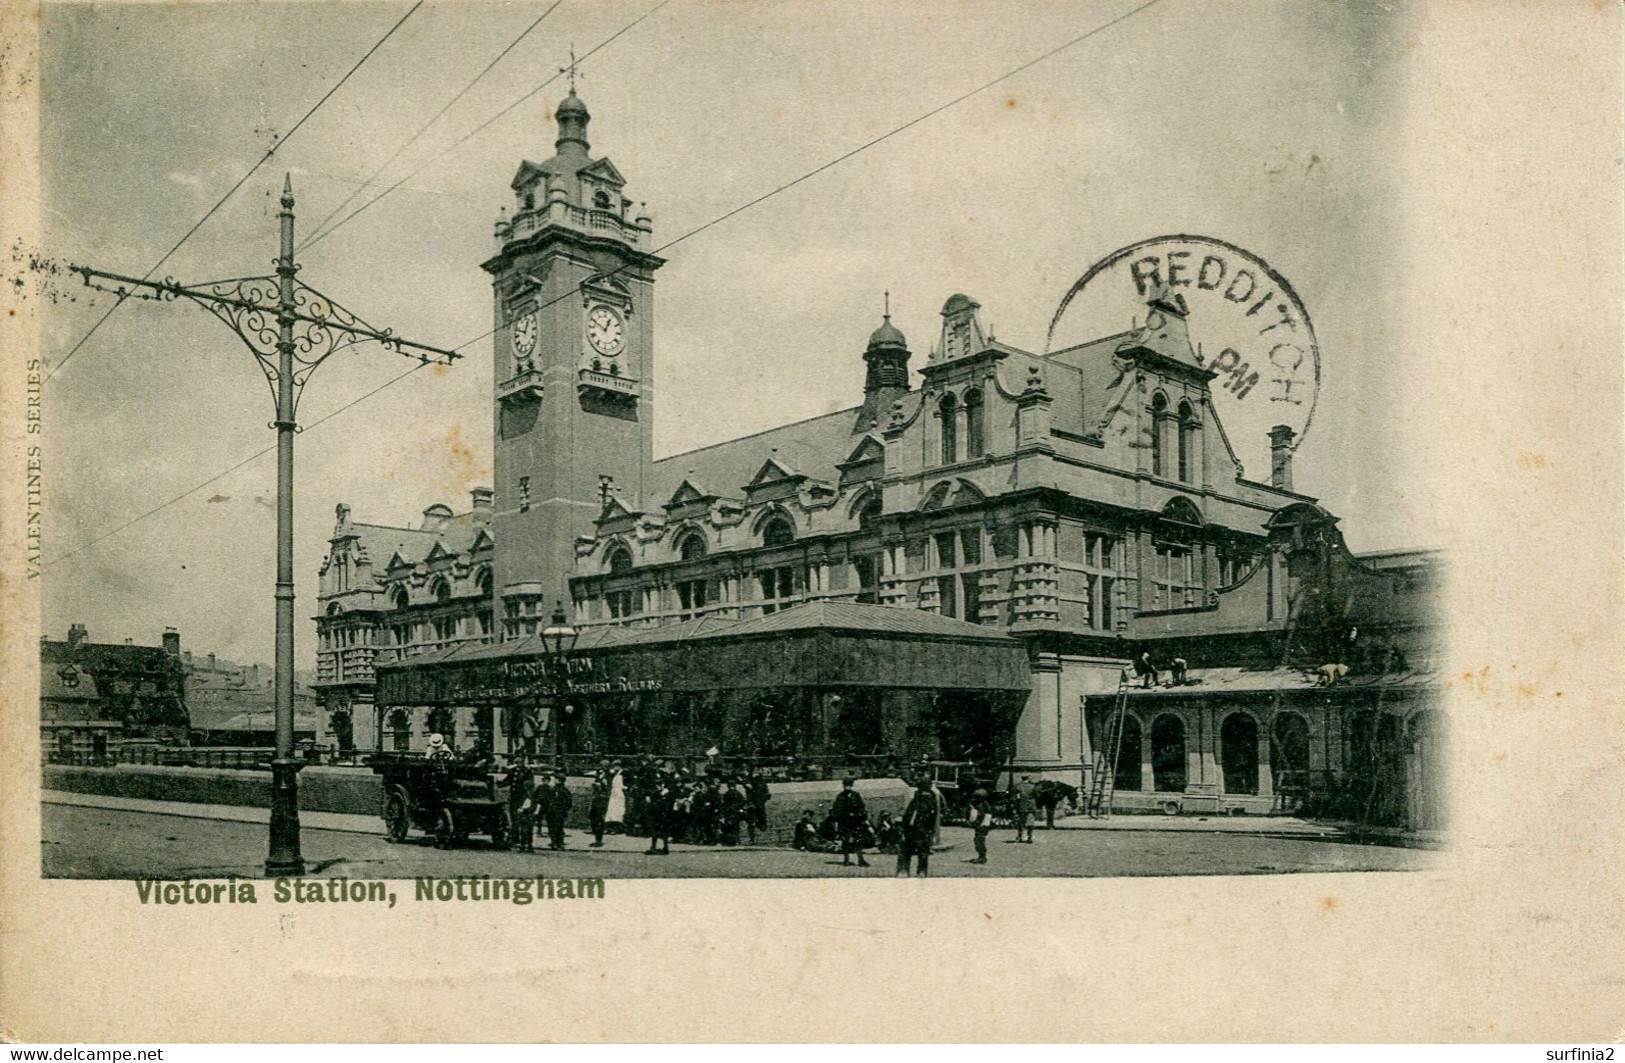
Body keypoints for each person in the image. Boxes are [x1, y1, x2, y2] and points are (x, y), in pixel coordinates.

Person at [898, 781, 939, 877]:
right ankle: (921, 872)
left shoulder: (919, 798)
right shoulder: (931, 798)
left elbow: (909, 815)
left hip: (915, 829)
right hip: (923, 830)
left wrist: (905, 826)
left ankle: (904, 871)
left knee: (907, 851)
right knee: (922, 853)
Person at [830, 776, 870, 868]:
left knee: (859, 840)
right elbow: (837, 810)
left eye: (849, 785)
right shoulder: (840, 797)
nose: (847, 787)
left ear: (851, 786)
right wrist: (838, 820)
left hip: (856, 821)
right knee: (845, 840)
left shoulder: (856, 795)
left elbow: (861, 806)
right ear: (843, 786)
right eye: (845, 785)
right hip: (845, 822)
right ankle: (846, 859)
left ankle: (861, 859)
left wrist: (862, 816)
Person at [539, 771, 573, 851]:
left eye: (556, 779)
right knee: (555, 828)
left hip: (557, 812)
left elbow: (568, 802)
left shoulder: (560, 790)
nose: (554, 780)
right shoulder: (557, 789)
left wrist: (562, 810)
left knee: (556, 828)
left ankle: (557, 843)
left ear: (559, 780)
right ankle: (556, 842)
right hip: (553, 812)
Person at [508, 757, 535, 854]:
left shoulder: (527, 772)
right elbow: (510, 780)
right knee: (517, 822)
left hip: (523, 804)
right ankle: (520, 843)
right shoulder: (513, 771)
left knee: (525, 827)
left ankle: (526, 845)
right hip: (515, 799)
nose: (517, 765)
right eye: (516, 763)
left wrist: (522, 808)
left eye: (519, 763)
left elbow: (530, 798)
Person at [644, 774, 673, 856]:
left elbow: (667, 804)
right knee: (655, 831)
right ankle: (654, 847)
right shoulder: (657, 793)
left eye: (659, 785)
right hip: (656, 814)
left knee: (663, 832)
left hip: (663, 815)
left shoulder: (666, 793)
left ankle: (665, 847)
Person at [588, 765, 612, 848]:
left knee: (599, 820)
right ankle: (596, 837)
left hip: (602, 800)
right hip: (596, 799)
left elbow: (608, 788)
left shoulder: (608, 777)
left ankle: (598, 839)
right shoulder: (599, 776)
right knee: (593, 817)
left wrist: (600, 785)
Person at [968, 788, 994, 864]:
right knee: (977, 840)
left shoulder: (985, 806)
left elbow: (987, 817)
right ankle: (981, 856)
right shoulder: (980, 805)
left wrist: (982, 827)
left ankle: (982, 857)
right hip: (979, 825)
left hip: (982, 826)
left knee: (979, 841)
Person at [720, 780, 748, 846]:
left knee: (729, 826)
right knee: (736, 826)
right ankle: (737, 840)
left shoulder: (727, 793)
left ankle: (730, 841)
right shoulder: (737, 793)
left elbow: (724, 804)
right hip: (736, 812)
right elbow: (743, 801)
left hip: (729, 812)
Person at [746, 771, 771, 844]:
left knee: (752, 821)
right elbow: (768, 795)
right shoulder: (762, 783)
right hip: (760, 804)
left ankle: (752, 839)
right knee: (761, 819)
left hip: (753, 804)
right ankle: (760, 828)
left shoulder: (750, 782)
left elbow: (748, 793)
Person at [1012, 775, 1037, 843]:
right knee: (1030, 822)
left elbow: (1017, 797)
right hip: (1031, 806)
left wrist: (1016, 805)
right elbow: (1037, 795)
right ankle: (1029, 837)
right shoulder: (1033, 786)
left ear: (1021, 778)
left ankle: (1019, 836)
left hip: (1021, 806)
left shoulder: (1018, 786)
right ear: (1028, 778)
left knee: (1020, 822)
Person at [605, 759, 627, 832]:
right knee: (611, 810)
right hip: (614, 794)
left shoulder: (624, 773)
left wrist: (625, 788)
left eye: (616, 766)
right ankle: (610, 827)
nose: (614, 767)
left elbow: (627, 784)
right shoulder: (614, 774)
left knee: (618, 811)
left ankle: (617, 828)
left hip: (620, 794)